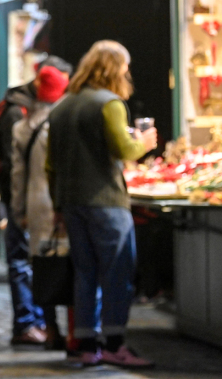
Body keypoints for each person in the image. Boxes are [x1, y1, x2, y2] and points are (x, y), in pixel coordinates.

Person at [46, 40, 157, 368]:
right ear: (113, 68)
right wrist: (144, 143)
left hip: (71, 202)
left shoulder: (63, 106)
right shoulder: (109, 104)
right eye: (124, 67)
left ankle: (87, 344)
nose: (127, 74)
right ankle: (115, 344)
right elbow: (124, 148)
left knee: (85, 273)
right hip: (106, 201)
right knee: (117, 272)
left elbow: (50, 164)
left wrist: (58, 205)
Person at [0, 55, 73, 345]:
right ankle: (68, 330)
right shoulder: (60, 126)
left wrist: (18, 211)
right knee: (66, 265)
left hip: (33, 205)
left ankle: (49, 327)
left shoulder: (24, 127)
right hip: (57, 205)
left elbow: (18, 176)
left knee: (41, 266)